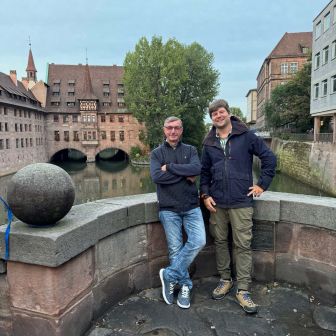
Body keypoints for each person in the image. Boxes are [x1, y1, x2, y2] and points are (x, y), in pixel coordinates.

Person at [200, 99, 276, 314]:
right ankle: (225, 279)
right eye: (214, 113)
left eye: (221, 111)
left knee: (243, 244)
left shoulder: (246, 136)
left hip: (241, 201)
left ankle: (243, 289)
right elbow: (204, 173)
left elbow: (269, 158)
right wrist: (205, 195)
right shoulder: (208, 142)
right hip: (217, 203)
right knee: (221, 242)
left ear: (228, 113)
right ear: (212, 118)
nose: (218, 116)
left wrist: (262, 185)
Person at [150, 116, 206, 309]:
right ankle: (185, 286)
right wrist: (184, 175)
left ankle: (169, 275)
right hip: (168, 209)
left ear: (182, 130)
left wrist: (172, 168)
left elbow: (197, 168)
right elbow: (157, 177)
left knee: (199, 240)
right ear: (164, 130)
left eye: (176, 128)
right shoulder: (157, 154)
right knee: (175, 249)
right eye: (169, 128)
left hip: (191, 206)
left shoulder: (190, 150)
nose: (173, 131)